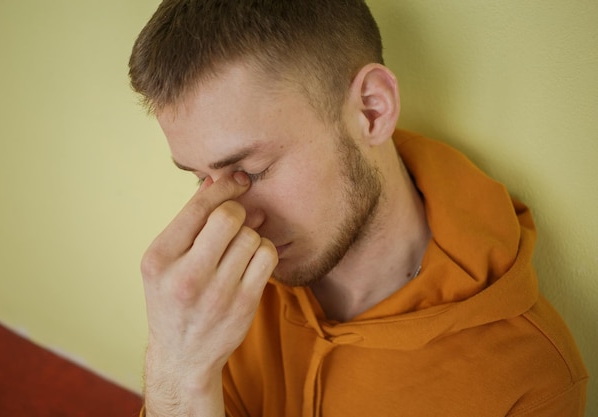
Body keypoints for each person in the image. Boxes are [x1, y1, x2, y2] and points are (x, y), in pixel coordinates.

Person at [128, 1, 588, 416]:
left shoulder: (530, 378)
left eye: (254, 170)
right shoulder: (211, 297)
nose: (234, 220)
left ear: (372, 110)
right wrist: (177, 374)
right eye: (200, 179)